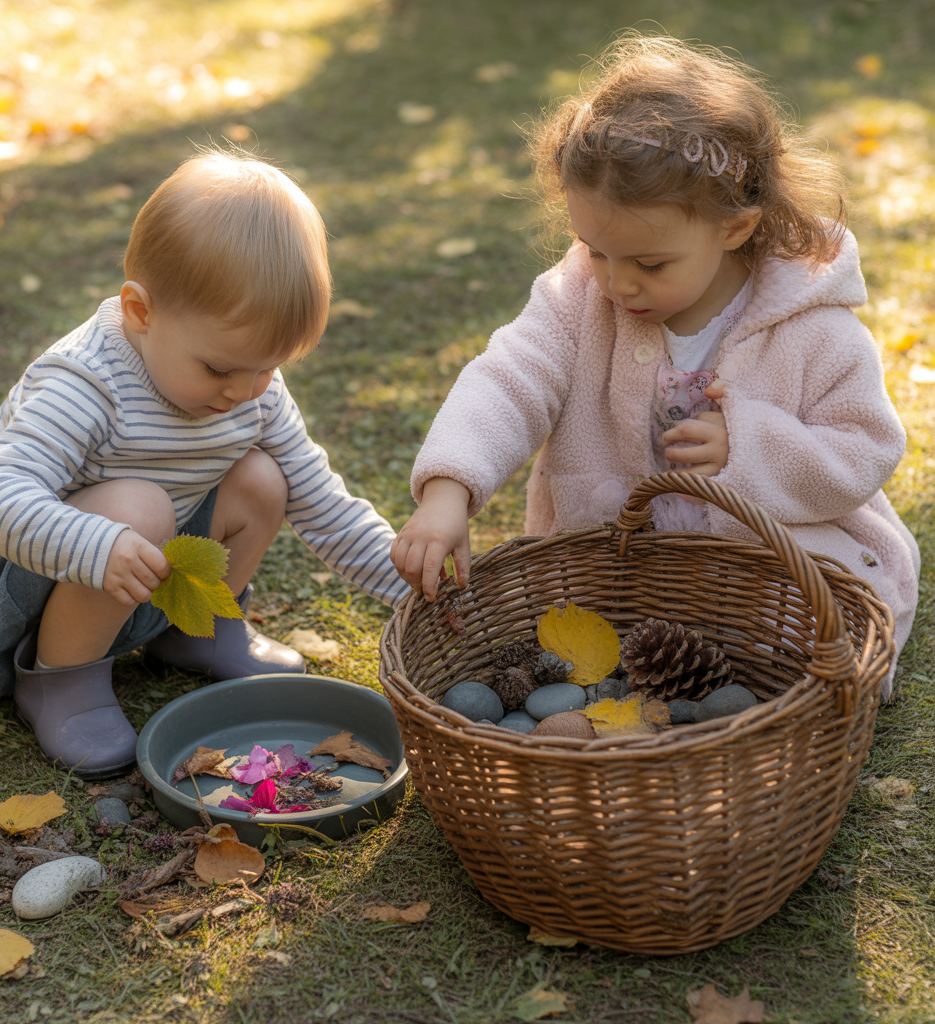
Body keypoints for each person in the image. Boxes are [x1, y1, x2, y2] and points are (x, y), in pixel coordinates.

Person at [391, 36, 919, 698]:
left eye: (649, 264)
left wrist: (749, 447)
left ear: (734, 228)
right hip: (622, 572)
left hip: (774, 568)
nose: (616, 284)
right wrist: (448, 492)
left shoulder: (816, 329)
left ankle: (771, 696)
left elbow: (865, 447)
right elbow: (508, 379)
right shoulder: (577, 298)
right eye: (594, 249)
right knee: (580, 663)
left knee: (817, 653)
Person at [0, 151, 410, 776]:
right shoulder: (86, 381)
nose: (247, 389)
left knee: (268, 479)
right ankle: (60, 677)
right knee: (140, 507)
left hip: (146, 576)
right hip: (30, 582)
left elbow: (320, 499)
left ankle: (194, 631)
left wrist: (410, 585)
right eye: (220, 368)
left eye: (269, 366)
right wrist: (94, 544)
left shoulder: (250, 390)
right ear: (140, 311)